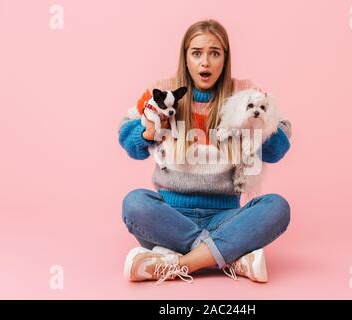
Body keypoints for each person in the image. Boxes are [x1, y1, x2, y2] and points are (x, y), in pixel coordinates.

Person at [118, 19, 292, 284]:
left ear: (225, 58)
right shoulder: (163, 92)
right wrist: (150, 131)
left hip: (227, 216)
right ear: (185, 57)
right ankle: (227, 256)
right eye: (197, 53)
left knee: (277, 207)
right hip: (171, 218)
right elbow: (130, 145)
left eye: (214, 53)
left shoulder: (244, 93)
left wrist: (258, 122)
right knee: (135, 203)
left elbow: (276, 151)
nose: (205, 62)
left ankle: (180, 262)